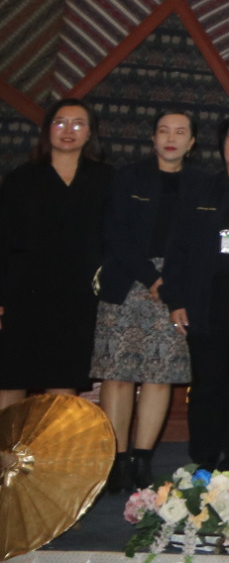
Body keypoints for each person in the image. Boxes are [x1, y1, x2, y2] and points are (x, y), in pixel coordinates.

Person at [93, 108, 201, 492]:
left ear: (191, 143)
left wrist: (170, 283)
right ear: (153, 138)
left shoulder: (202, 184)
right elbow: (115, 233)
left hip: (176, 287)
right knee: (118, 375)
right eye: (163, 130)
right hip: (127, 281)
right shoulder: (128, 177)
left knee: (160, 376)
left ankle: (141, 460)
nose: (171, 138)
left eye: (180, 132)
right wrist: (153, 279)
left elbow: (199, 242)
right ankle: (116, 460)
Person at [166, 112, 229, 470]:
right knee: (208, 385)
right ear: (221, 147)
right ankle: (204, 459)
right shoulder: (199, 189)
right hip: (206, 301)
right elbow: (177, 247)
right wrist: (176, 300)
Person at [0, 100, 114, 411]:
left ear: (90, 133)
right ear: (47, 129)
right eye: (60, 122)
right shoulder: (21, 179)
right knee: (11, 378)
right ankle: (5, 457)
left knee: (63, 378)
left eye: (78, 123)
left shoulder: (106, 179)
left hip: (78, 298)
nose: (68, 130)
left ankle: (54, 457)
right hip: (25, 294)